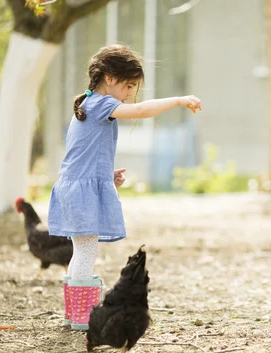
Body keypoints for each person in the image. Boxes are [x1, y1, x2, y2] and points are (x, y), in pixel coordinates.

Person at [48, 45, 202, 330]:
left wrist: (106, 174)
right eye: (128, 85)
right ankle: (82, 317)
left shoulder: (87, 105)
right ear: (109, 78)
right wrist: (179, 100)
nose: (130, 93)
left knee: (80, 250)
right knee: (86, 251)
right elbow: (142, 111)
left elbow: (82, 153)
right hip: (80, 190)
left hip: (74, 185)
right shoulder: (101, 104)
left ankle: (74, 314)